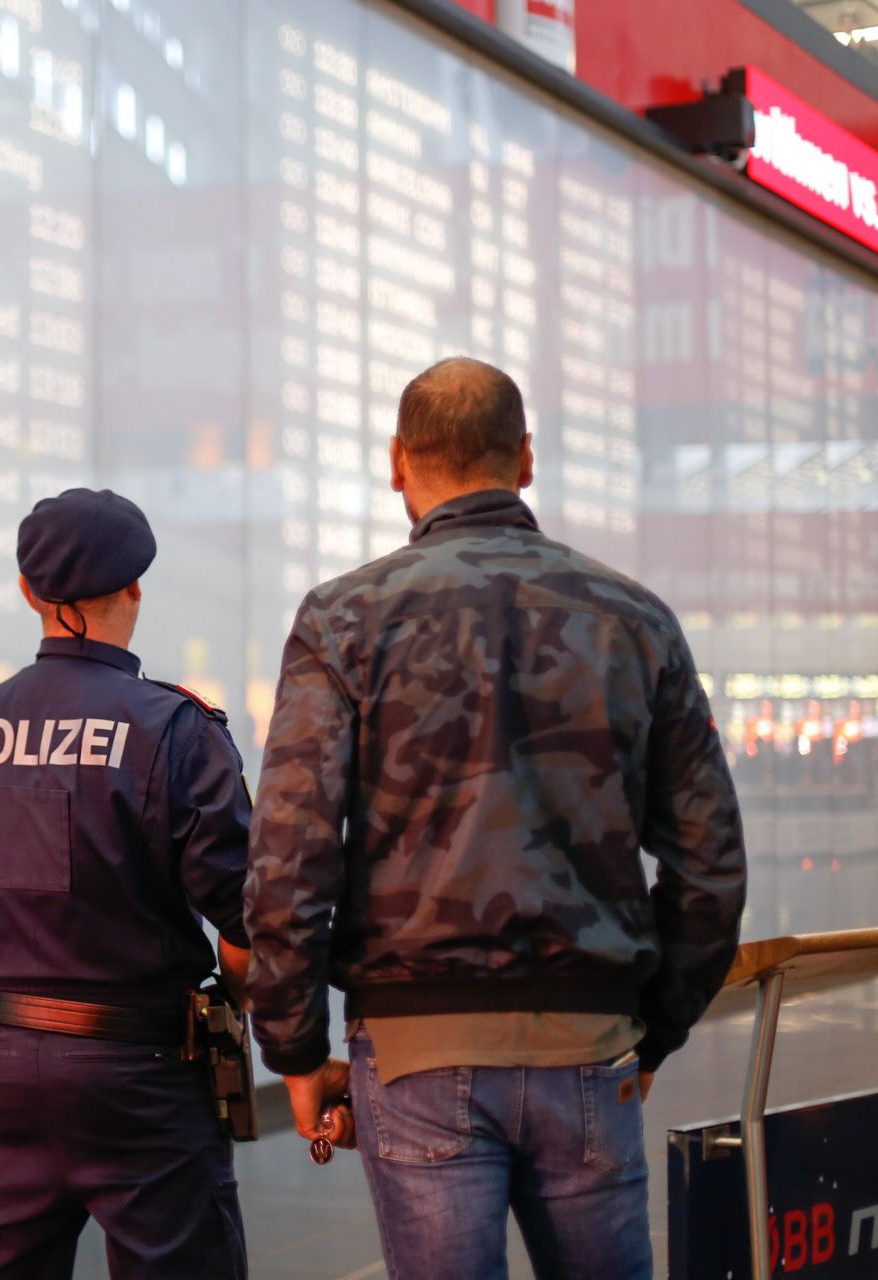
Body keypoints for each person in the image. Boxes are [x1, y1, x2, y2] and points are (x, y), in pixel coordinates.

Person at [244, 357, 748, 1280]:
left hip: (413, 1057)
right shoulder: (632, 619)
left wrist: (296, 1046)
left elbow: (291, 856)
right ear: (525, 461)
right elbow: (710, 864)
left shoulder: (342, 620)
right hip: (590, 1051)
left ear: (397, 462)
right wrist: (653, 1031)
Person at [0, 488, 259, 1280]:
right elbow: (252, 914)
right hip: (149, 1071)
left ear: (28, 594)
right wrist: (238, 1000)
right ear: (134, 591)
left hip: (8, 1071)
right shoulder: (175, 729)